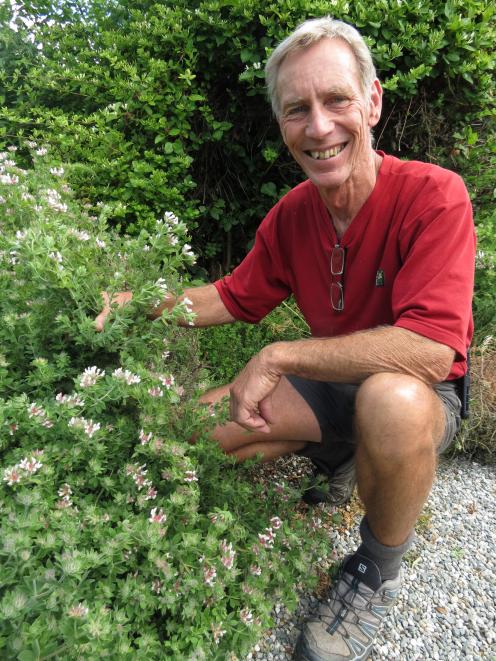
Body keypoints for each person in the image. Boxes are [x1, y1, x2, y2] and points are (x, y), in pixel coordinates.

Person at [96, 17, 475, 661]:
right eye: (298, 109)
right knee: (193, 435)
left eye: (336, 100)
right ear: (283, 127)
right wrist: (137, 305)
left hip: (418, 392)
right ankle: (341, 461)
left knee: (390, 401)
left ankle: (375, 570)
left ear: (373, 101)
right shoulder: (294, 213)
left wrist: (279, 355)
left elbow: (434, 349)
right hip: (332, 385)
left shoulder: (435, 196)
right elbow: (231, 297)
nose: (319, 127)